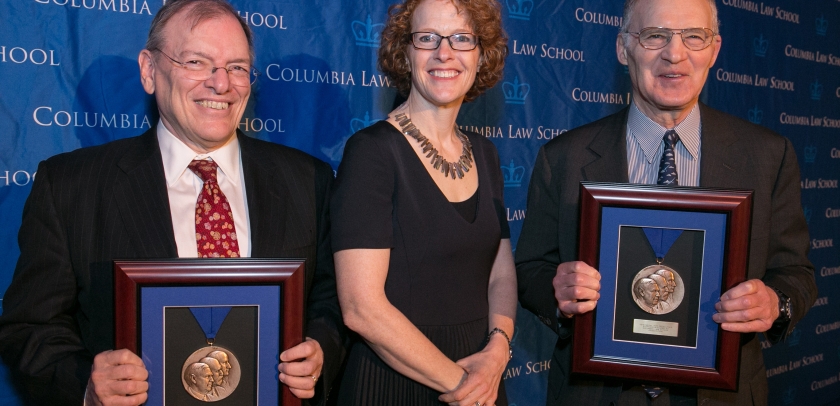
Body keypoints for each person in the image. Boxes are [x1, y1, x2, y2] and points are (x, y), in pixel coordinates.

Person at [0, 1, 345, 405]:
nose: (221, 84)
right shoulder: (71, 187)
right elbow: (30, 327)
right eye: (197, 62)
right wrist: (86, 384)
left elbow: (332, 299)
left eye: (237, 67)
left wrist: (320, 350)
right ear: (149, 71)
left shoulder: (308, 180)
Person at [515, 0, 817, 404]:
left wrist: (774, 304)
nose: (675, 54)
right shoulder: (563, 157)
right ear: (624, 49)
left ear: (715, 50)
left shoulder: (767, 155)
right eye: (655, 36)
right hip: (595, 393)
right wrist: (558, 291)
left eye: (694, 37)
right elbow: (532, 267)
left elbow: (796, 273)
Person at [330, 0, 515, 405]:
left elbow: (501, 273)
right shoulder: (372, 152)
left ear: (481, 54)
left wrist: (498, 351)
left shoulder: (485, 153)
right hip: (395, 383)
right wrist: (465, 385)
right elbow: (362, 308)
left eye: (462, 39)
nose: (444, 53)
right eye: (426, 38)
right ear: (405, 52)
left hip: (480, 376)